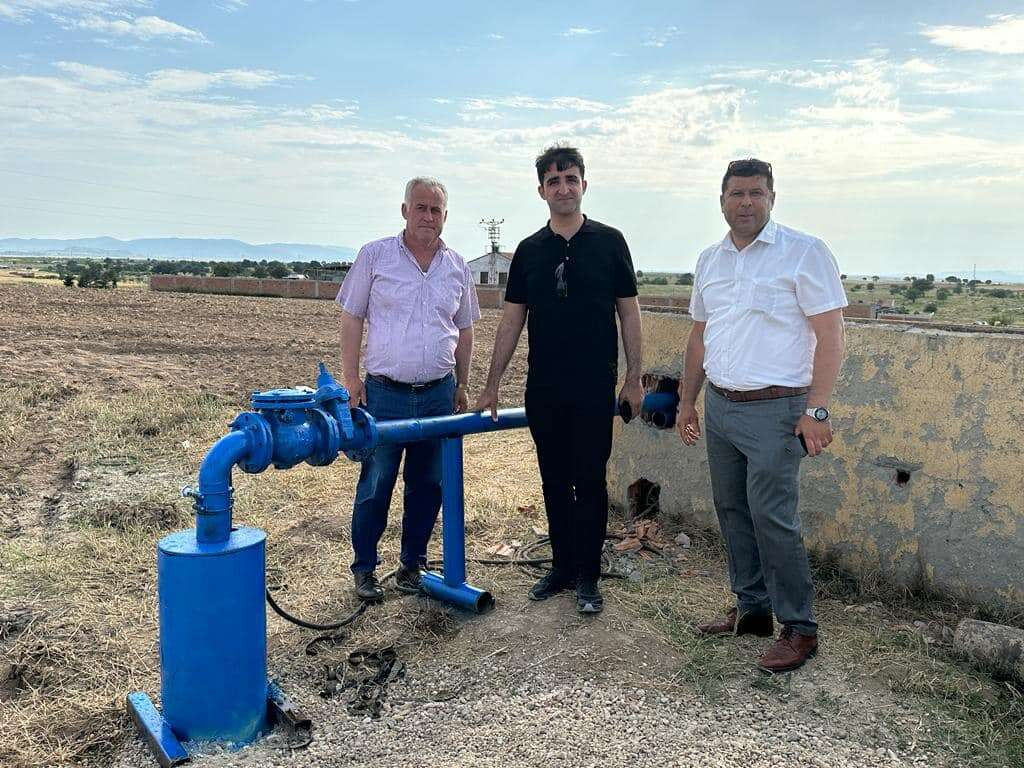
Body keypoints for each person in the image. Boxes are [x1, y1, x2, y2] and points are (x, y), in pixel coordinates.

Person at [677, 158, 847, 672]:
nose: (745, 202)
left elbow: (832, 334)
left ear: (772, 198)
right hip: (721, 406)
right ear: (721, 201)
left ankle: (800, 628)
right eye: (736, 193)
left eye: (756, 193)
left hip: (778, 410)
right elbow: (700, 336)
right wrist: (687, 400)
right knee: (732, 509)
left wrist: (817, 409)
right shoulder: (711, 260)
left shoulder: (804, 252)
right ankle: (752, 610)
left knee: (773, 517)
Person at [475, 145, 643, 614]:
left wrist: (634, 378)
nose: (563, 188)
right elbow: (512, 321)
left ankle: (589, 576)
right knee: (553, 480)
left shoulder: (610, 242)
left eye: (570, 179)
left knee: (589, 481)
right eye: (554, 181)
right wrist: (491, 384)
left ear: (583, 185)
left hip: (594, 386)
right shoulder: (530, 251)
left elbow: (629, 313)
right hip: (545, 388)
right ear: (541, 191)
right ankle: (562, 567)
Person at [336, 177, 480, 601]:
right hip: (385, 395)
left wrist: (463, 384)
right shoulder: (375, 256)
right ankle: (365, 568)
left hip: (438, 394)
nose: (428, 217)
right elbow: (351, 317)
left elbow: (465, 329)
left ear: (445, 216)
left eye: (436, 210)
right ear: (404, 211)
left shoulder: (457, 267)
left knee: (429, 484)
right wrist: (351, 379)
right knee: (376, 481)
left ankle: (412, 566)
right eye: (420, 207)